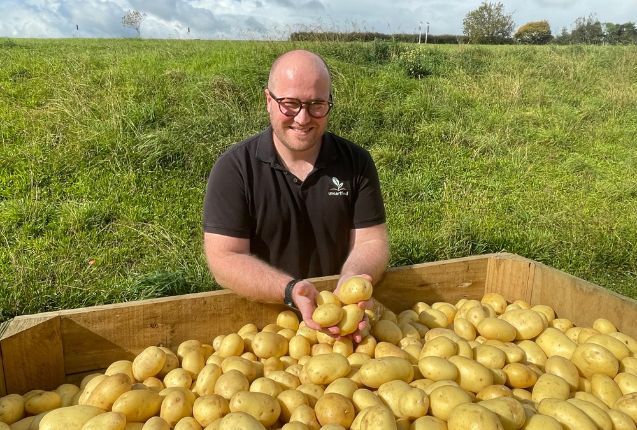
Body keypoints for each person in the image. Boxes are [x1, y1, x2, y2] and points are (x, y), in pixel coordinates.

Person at [202, 49, 389, 341]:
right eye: (290, 104)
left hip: (341, 325)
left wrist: (351, 281)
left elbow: (372, 240)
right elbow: (224, 258)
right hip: (266, 329)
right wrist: (290, 290)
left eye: (316, 104)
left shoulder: (356, 162)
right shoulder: (235, 168)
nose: (303, 118)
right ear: (268, 101)